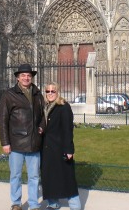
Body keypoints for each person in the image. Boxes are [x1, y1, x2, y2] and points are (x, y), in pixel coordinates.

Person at [0, 64, 44, 210]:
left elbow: (43, 115)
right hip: (16, 142)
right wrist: (5, 142)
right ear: (18, 78)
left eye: (29, 75)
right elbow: (3, 120)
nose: (26, 78)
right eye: (23, 75)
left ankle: (33, 203)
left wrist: (41, 127)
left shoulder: (38, 94)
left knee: (34, 176)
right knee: (16, 176)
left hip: (34, 142)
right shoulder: (9, 95)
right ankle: (16, 203)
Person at [41, 82, 81, 210]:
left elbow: (67, 130)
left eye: (53, 91)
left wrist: (69, 149)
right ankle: (53, 203)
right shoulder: (45, 106)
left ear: (58, 92)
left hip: (60, 148)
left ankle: (75, 206)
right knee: (49, 178)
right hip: (47, 149)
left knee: (67, 178)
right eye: (48, 91)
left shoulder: (63, 106)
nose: (50, 93)